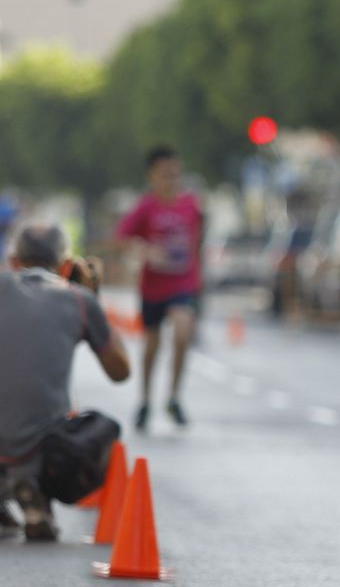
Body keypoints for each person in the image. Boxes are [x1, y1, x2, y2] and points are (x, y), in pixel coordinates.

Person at [0, 224, 130, 541]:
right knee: (100, 425)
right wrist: (94, 298)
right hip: (45, 453)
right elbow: (121, 371)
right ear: (67, 266)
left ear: (14, 262)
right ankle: (31, 489)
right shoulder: (79, 300)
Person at [115, 146, 202, 432]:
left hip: (183, 283)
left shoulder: (191, 205)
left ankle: (174, 397)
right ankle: (145, 399)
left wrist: (199, 274)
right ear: (152, 176)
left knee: (182, 330)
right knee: (151, 346)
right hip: (152, 287)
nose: (173, 180)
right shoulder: (145, 207)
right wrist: (144, 250)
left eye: (177, 174)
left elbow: (197, 241)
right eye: (166, 175)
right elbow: (121, 238)